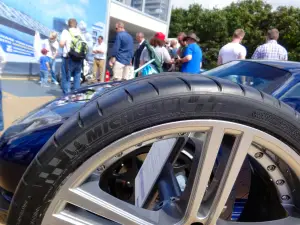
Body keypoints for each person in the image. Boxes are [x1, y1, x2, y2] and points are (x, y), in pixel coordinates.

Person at [59, 18, 85, 94]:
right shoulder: (80, 33)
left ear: (68, 24)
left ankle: (67, 97)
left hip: (68, 58)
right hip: (79, 59)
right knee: (77, 77)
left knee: (66, 78)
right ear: (76, 25)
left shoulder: (66, 32)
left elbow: (61, 44)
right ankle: (75, 96)